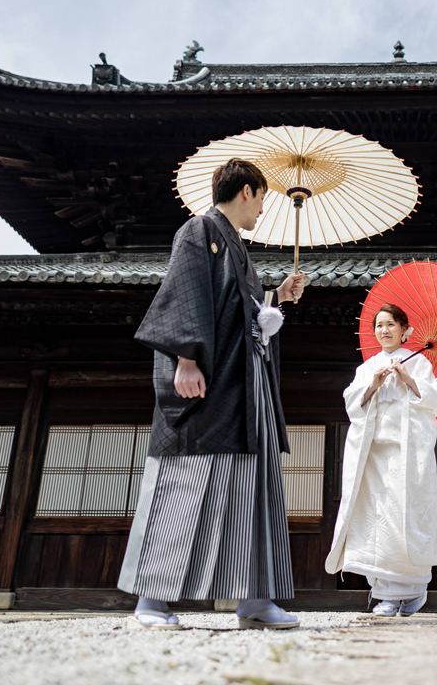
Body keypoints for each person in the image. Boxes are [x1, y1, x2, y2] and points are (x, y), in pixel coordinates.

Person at [118, 158, 306, 631]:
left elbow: (238, 312)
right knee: (187, 481)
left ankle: (256, 600)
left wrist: (274, 299)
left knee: (255, 493)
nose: (263, 208)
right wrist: (184, 358)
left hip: (246, 392)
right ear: (246, 190)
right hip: (210, 384)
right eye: (262, 197)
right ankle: (153, 599)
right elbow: (186, 296)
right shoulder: (200, 230)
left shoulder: (238, 249)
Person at [325, 304, 437, 617]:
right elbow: (352, 404)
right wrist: (373, 384)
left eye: (391, 324)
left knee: (404, 521)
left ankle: (410, 593)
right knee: (375, 523)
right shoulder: (367, 367)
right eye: (379, 325)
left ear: (405, 330)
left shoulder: (420, 363)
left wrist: (409, 379)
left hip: (406, 457)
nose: (384, 330)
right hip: (374, 457)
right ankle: (385, 595)